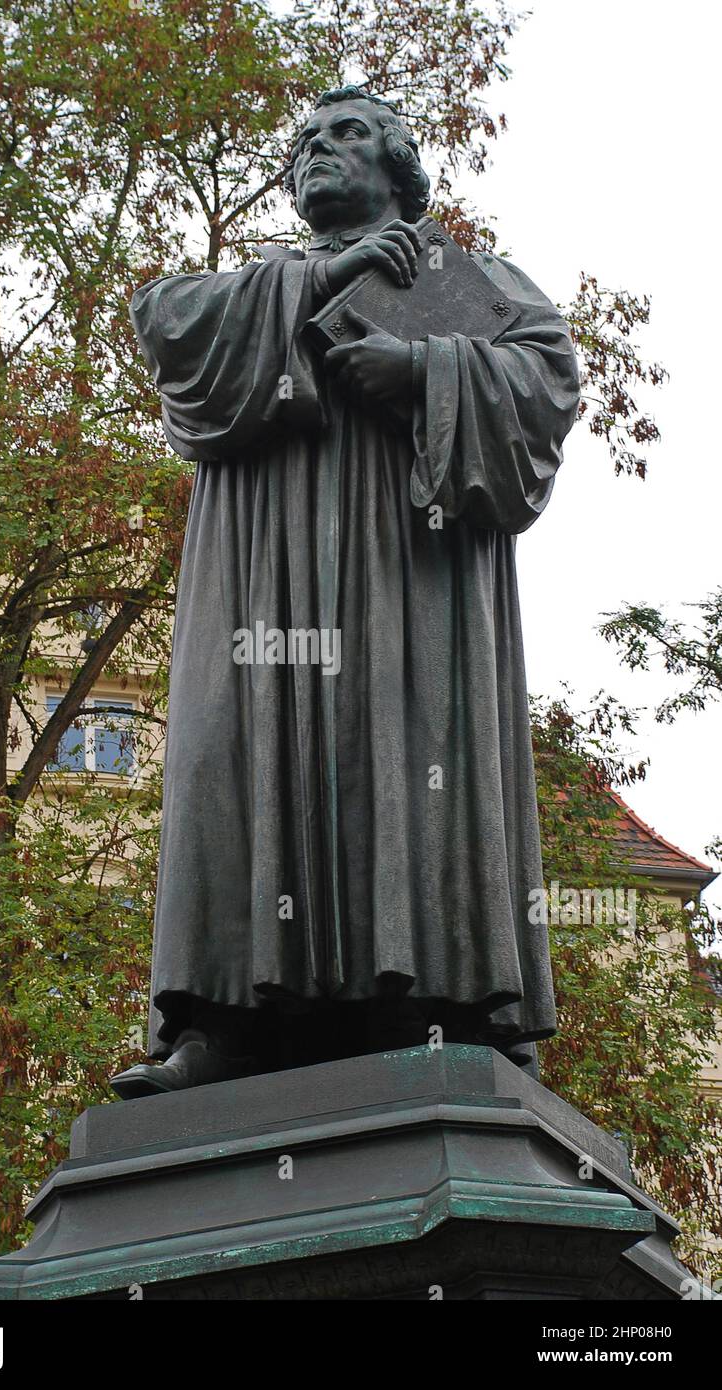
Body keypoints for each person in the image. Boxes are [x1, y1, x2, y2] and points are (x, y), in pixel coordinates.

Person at [110, 86, 580, 1099]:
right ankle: (229, 1019)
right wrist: (333, 277)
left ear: (401, 167)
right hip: (261, 586)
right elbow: (163, 325)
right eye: (305, 144)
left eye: (348, 134)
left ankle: (437, 999)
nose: (320, 151)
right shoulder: (257, 283)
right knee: (229, 762)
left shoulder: (468, 281)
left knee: (407, 761)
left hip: (407, 579)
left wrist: (421, 370)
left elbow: (548, 379)